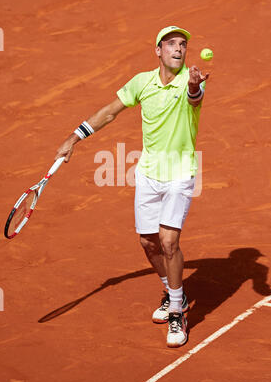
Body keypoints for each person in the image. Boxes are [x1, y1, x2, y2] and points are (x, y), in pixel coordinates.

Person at [54, 25, 209, 348]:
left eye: (183, 45)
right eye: (172, 45)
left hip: (181, 173)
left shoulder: (190, 82)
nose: (179, 49)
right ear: (159, 51)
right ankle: (172, 291)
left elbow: (195, 99)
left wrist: (194, 86)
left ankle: (178, 311)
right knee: (148, 243)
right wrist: (74, 138)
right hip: (149, 173)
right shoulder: (142, 83)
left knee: (168, 241)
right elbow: (110, 112)